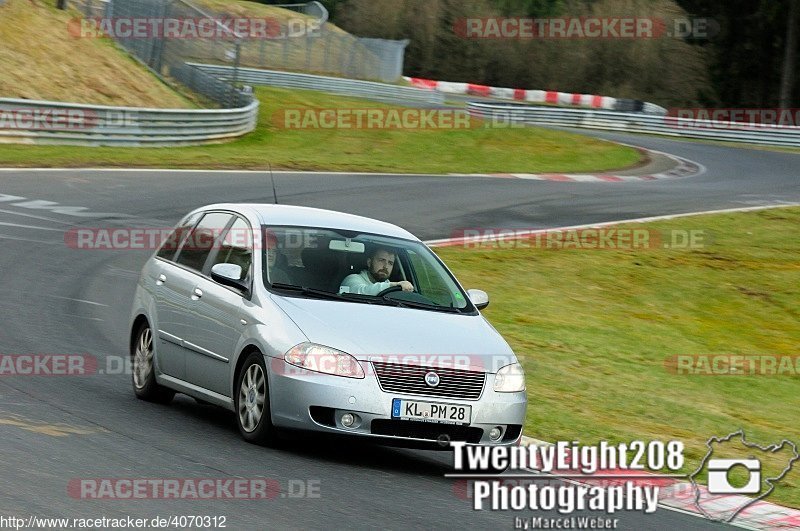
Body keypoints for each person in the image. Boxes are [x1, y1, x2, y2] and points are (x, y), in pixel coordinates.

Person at [340, 247, 414, 296]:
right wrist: (393, 285)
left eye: (390, 263)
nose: (386, 266)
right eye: (381, 260)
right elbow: (362, 292)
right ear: (369, 263)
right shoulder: (352, 279)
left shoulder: (390, 287)